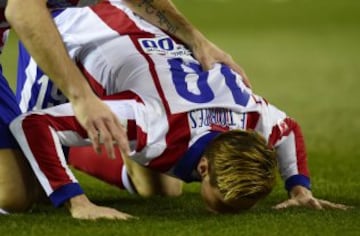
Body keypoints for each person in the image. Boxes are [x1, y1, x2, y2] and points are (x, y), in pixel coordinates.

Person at [10, 1, 348, 220]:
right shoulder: (154, 125)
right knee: (30, 191)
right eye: (223, 201)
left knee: (163, 188)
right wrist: (77, 202)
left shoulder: (252, 117)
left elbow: (286, 128)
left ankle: (95, 140)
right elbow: (32, 125)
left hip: (134, 34)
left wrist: (299, 187)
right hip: (65, 27)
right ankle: (72, 148)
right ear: (204, 166)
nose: (230, 210)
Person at [0, 0, 249, 212]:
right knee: (17, 194)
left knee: (162, 188)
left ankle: (75, 144)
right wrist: (82, 98)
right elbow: (22, 10)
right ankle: (60, 138)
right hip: (48, 21)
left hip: (77, 22)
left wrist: (197, 41)